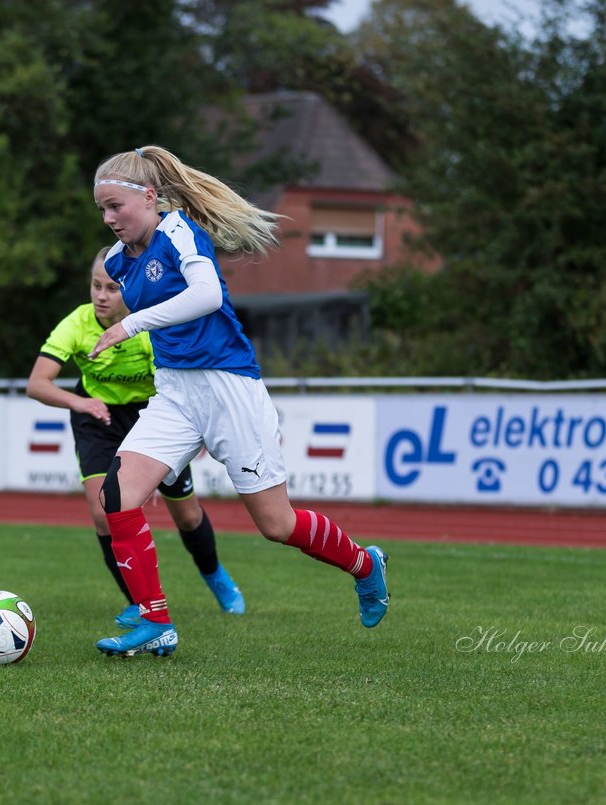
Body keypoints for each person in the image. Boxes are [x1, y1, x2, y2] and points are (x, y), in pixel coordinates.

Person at [87, 144, 389, 657]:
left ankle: (365, 564)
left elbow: (207, 296)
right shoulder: (117, 260)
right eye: (102, 209)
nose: (109, 217)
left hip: (229, 388)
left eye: (116, 205)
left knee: (277, 525)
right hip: (176, 392)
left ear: (151, 197)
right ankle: (154, 620)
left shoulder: (178, 231)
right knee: (116, 497)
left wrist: (130, 324)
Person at [26, 246, 245, 628]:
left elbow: (179, 384)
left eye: (111, 288)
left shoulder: (148, 326)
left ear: (128, 289)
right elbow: (37, 384)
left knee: (187, 514)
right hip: (98, 418)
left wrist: (188, 436)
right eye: (96, 286)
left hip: (153, 415)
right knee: (103, 513)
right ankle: (139, 603)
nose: (101, 295)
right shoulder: (76, 323)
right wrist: (80, 404)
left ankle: (217, 579)